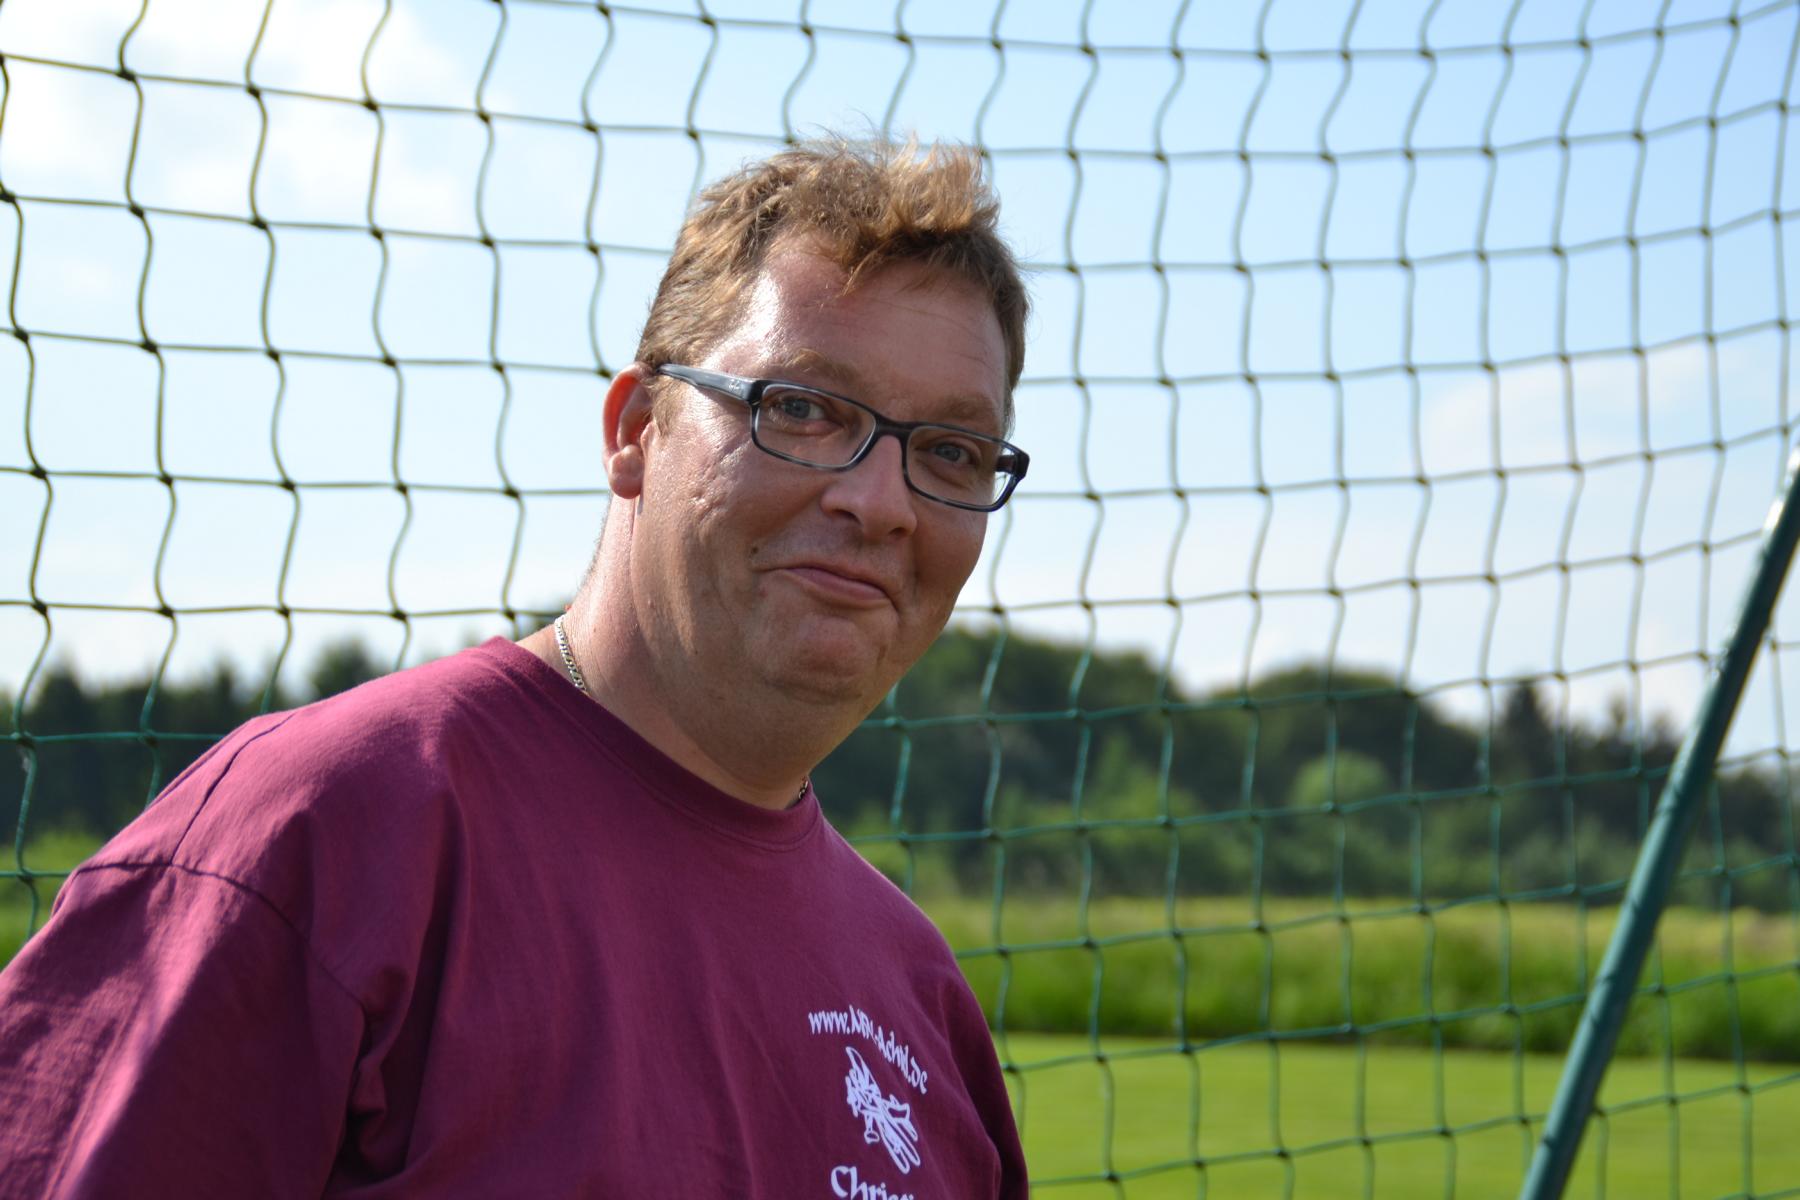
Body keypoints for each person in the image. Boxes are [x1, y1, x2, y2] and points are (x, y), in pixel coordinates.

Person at [0, 137, 1032, 1198]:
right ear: (636, 431)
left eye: (951, 451)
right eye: (803, 409)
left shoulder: (922, 1001)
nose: (881, 502)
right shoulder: (319, 836)